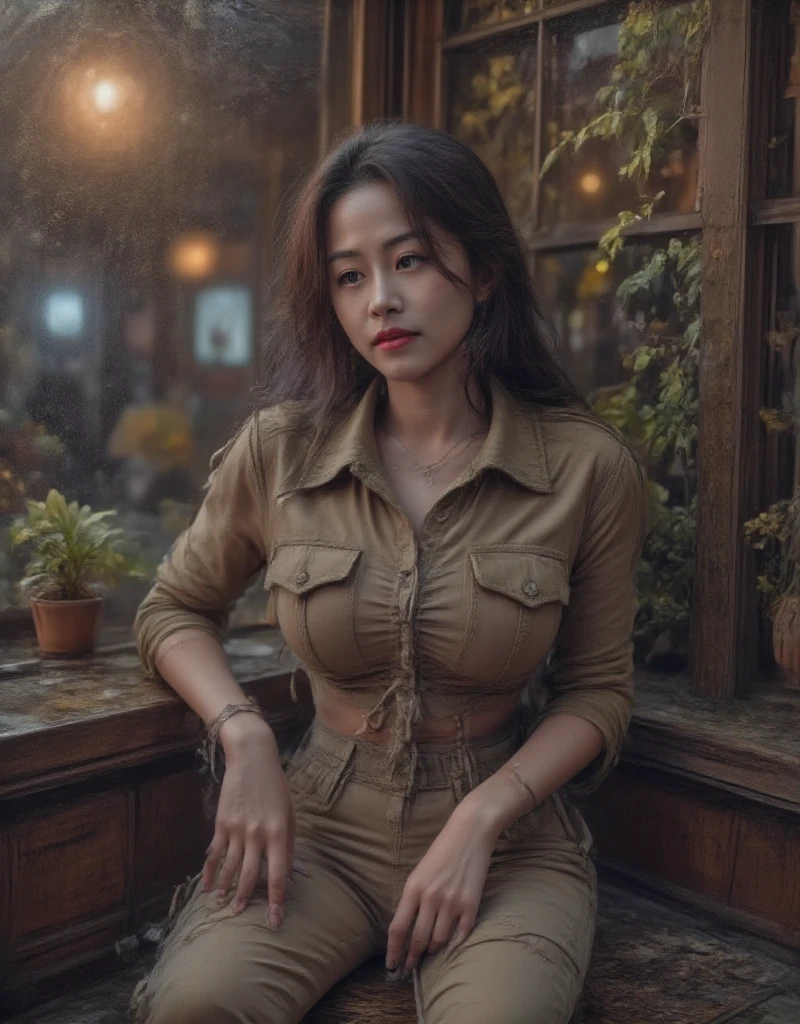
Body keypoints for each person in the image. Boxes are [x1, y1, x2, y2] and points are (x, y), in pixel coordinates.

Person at [131, 121, 646, 1024]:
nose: (380, 301)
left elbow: (598, 694)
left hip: (508, 842)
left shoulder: (585, 468)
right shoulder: (278, 452)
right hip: (317, 827)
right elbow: (173, 608)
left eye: (409, 261)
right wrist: (244, 735)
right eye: (350, 275)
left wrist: (483, 818)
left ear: (483, 273)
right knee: (195, 1007)